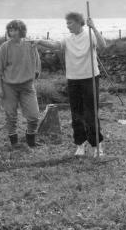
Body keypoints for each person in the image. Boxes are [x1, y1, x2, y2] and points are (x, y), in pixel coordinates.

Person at [37, 12, 107, 157]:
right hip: (73, 79)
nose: (67, 26)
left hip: (90, 78)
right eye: (67, 23)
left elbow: (103, 46)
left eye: (69, 23)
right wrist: (39, 41)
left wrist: (93, 27)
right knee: (76, 113)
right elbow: (56, 45)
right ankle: (80, 144)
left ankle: (97, 145)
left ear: (78, 22)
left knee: (91, 113)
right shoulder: (68, 39)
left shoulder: (89, 34)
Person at [0, 19, 41, 148]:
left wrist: (35, 74)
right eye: (10, 30)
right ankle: (14, 144)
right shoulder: (5, 47)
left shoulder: (30, 45)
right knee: (11, 116)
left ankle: (30, 140)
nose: (12, 32)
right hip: (9, 86)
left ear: (21, 31)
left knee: (34, 116)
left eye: (15, 30)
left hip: (27, 86)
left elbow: (37, 62)